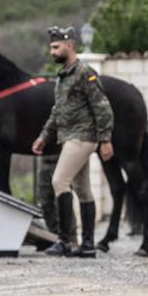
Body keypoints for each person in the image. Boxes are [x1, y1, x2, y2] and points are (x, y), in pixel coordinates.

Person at [32, 25, 114, 258]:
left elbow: (103, 108)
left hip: (82, 136)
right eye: (51, 47)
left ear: (70, 45)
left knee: (59, 181)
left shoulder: (84, 72)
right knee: (83, 189)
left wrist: (105, 139)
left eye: (56, 47)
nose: (52, 52)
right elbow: (57, 111)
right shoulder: (63, 77)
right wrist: (43, 136)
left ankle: (65, 240)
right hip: (69, 136)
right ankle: (87, 245)